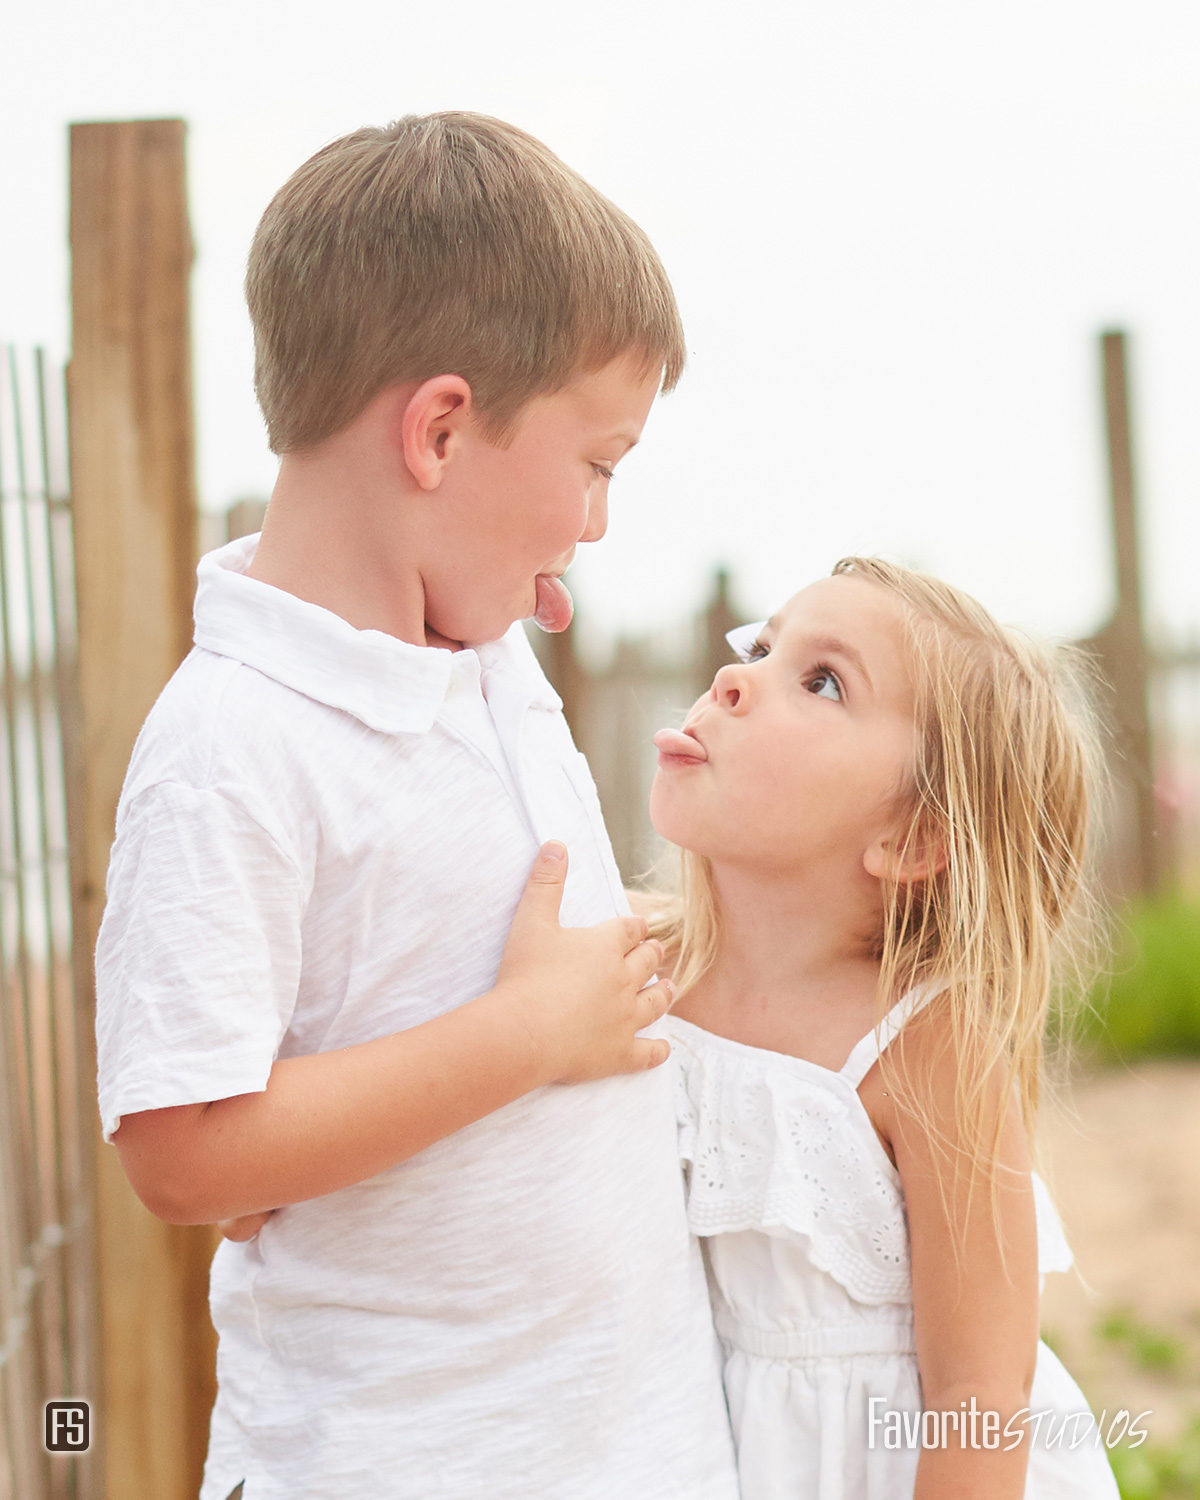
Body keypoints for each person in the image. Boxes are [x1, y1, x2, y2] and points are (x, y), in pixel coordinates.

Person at [94, 113, 737, 1500]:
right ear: (442, 430)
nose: (597, 525)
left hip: (616, 1447)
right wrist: (521, 1036)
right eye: (598, 466)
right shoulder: (232, 742)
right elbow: (181, 1151)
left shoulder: (487, 664)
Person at [646, 557, 1121, 1499]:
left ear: (911, 839)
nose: (732, 678)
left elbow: (981, 1389)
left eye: (821, 681)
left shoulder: (924, 1043)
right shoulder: (635, 968)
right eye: (765, 646)